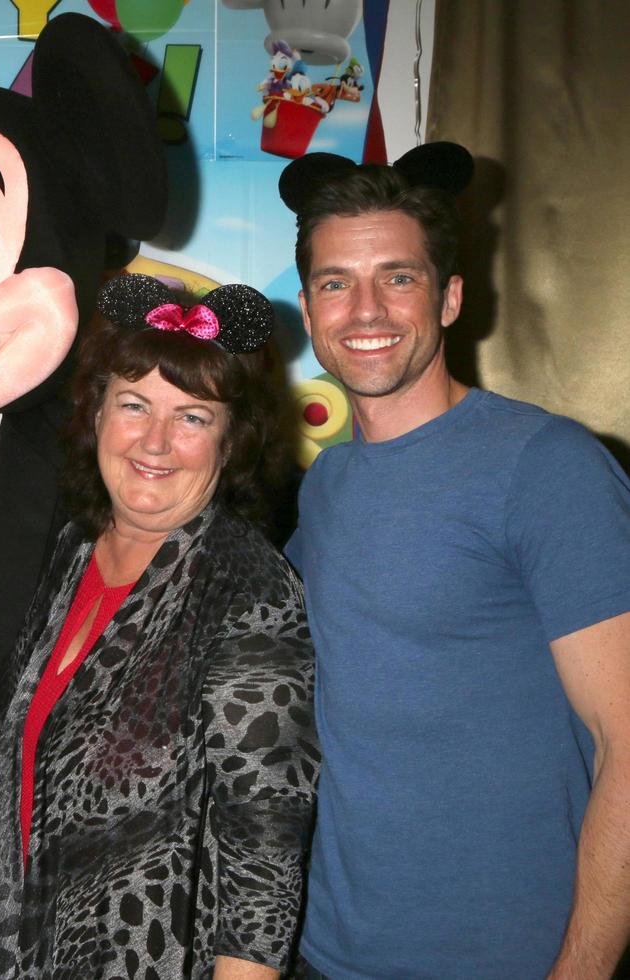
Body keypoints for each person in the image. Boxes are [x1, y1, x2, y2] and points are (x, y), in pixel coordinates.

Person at [282, 143, 630, 978]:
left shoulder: (546, 466)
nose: (365, 309)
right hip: (327, 955)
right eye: (336, 282)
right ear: (306, 308)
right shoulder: (324, 485)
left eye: (398, 277)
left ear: (450, 298)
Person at [0, 273, 318, 978]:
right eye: (134, 405)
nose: (155, 441)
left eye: (192, 416)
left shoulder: (246, 588)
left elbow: (266, 851)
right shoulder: (69, 552)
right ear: (96, 414)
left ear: (230, 442)